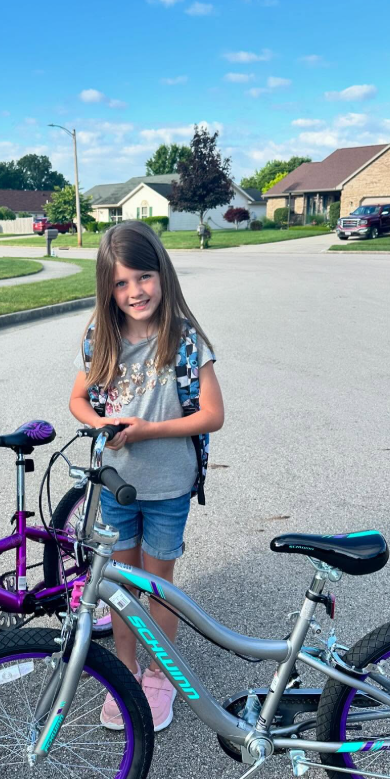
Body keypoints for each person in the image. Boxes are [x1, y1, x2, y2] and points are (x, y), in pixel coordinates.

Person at [69, 221, 224, 732]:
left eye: (143, 277)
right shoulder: (101, 339)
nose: (135, 291)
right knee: (119, 586)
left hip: (168, 487)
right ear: (107, 289)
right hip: (117, 485)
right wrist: (100, 423)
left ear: (162, 274)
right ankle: (127, 671)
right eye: (121, 282)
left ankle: (161, 675)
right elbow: (78, 399)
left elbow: (212, 415)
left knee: (158, 586)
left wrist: (149, 429)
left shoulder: (184, 339)